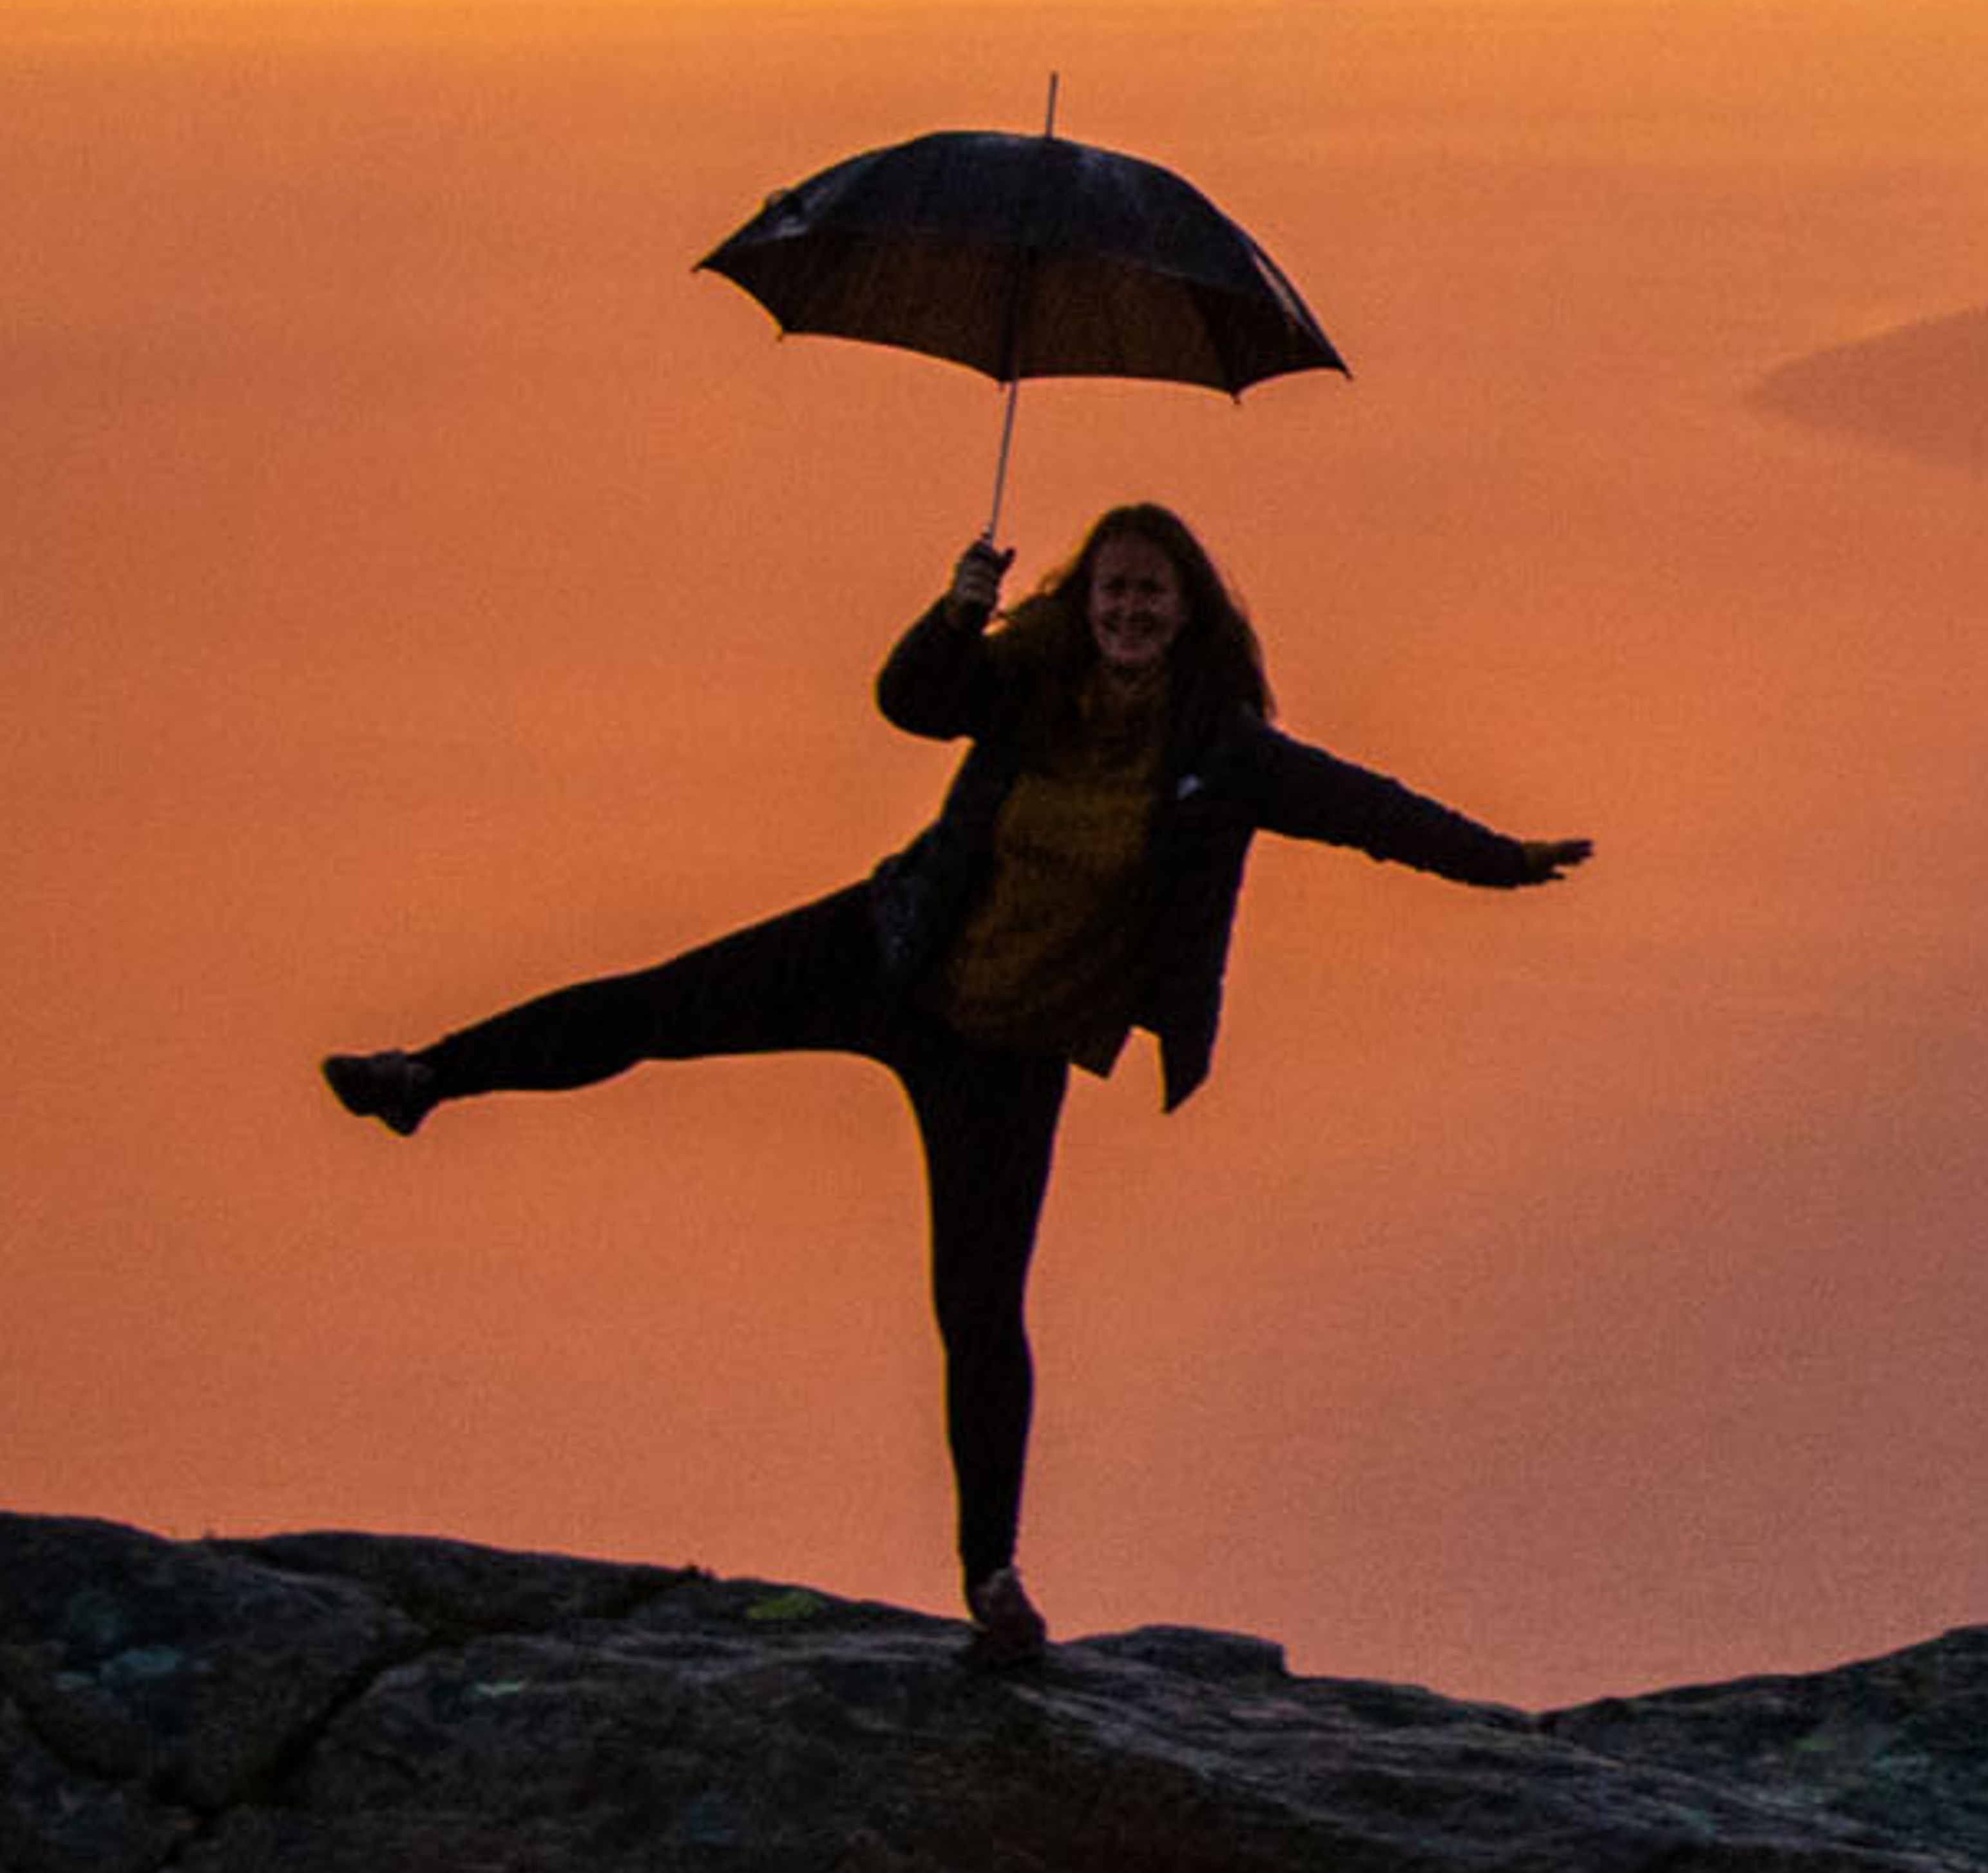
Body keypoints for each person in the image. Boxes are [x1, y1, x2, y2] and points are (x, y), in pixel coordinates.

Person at [323, 506, 1591, 1666]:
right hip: (891, 951)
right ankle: (428, 1072)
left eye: (1153, 595)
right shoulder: (1028, 685)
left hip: (1009, 1052)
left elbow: (1368, 809)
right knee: (658, 1007)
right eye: (1112, 591)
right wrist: (959, 600)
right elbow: (911, 700)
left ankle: (994, 1582)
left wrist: (1502, 860)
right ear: (1083, 600)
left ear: (1190, 611)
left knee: (980, 1311)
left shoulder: (1223, 754)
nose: (1130, 612)